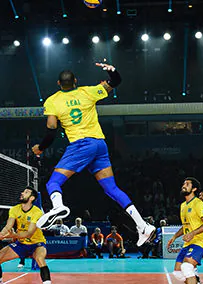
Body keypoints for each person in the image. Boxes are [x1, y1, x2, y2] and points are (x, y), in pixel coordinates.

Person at [32, 63, 155, 247]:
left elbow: (51, 132)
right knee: (111, 189)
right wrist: (111, 70)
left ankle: (58, 207)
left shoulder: (52, 101)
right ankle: (142, 225)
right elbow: (116, 81)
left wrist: (40, 148)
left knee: (53, 183)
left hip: (81, 144)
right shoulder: (87, 92)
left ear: (58, 83)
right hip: (99, 144)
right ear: (75, 81)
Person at [0, 187, 57, 284]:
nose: (22, 193)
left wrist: (13, 235)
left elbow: (29, 233)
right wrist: (2, 233)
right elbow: (8, 225)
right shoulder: (14, 209)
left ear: (32, 198)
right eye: (23, 191)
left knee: (40, 260)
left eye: (26, 192)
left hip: (37, 243)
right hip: (21, 244)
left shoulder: (37, 212)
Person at [167, 178, 203, 284]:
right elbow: (185, 226)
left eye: (187, 184)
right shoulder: (183, 205)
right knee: (177, 273)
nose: (183, 186)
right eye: (183, 184)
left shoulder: (198, 204)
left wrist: (193, 233)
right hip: (188, 242)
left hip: (200, 241)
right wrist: (175, 236)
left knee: (186, 267)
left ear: (194, 189)